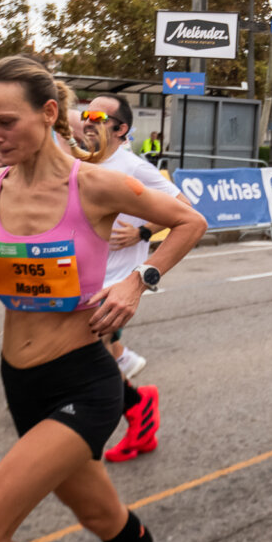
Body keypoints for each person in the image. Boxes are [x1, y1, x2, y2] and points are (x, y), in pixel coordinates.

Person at [0, 55, 207, 542]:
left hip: (83, 380)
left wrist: (138, 279)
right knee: (98, 511)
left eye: (6, 122)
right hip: (20, 381)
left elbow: (190, 221)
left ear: (49, 113)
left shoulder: (94, 185)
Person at [81, 93, 195, 463]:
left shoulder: (132, 167)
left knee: (86, 353)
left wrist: (143, 232)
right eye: (85, 114)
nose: (87, 121)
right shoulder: (80, 162)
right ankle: (127, 378)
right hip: (82, 273)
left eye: (97, 116)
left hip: (115, 279)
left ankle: (136, 410)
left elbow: (187, 210)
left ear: (121, 128)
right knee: (91, 355)